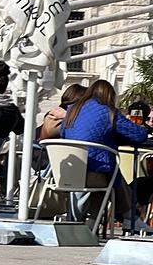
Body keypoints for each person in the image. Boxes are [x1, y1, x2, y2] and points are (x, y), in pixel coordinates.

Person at [59, 79, 149, 228]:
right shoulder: (108, 112)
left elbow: (63, 134)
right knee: (112, 178)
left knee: (111, 175)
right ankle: (129, 218)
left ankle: (101, 224)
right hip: (91, 173)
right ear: (109, 96)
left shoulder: (72, 111)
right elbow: (139, 135)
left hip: (68, 171)